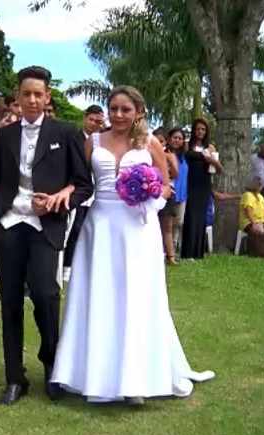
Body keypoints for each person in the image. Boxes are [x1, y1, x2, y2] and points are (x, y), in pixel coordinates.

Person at [52, 85, 215, 406]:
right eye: (113, 108)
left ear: (139, 112)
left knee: (136, 297)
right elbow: (83, 182)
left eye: (125, 109)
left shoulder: (150, 143)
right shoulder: (92, 142)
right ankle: (95, 374)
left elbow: (167, 185)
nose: (118, 115)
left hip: (137, 226)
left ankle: (136, 380)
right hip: (100, 225)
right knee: (99, 295)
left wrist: (150, 202)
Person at [0, 65, 93, 406]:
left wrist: (62, 197)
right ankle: (14, 377)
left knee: (47, 295)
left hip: (45, 225)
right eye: (26, 94)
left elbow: (84, 184)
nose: (32, 100)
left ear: (47, 97)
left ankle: (51, 364)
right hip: (10, 224)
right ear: (17, 97)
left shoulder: (66, 132)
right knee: (11, 301)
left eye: (38, 94)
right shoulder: (4, 136)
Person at [62, 104, 105, 270]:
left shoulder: (103, 140)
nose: (94, 124)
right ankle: (68, 263)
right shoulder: (75, 137)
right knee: (75, 226)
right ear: (85, 118)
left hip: (97, 187)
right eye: (91, 119)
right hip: (77, 186)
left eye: (98, 121)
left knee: (90, 227)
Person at [180, 118, 221, 260]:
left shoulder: (211, 148)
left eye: (203, 129)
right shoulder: (186, 145)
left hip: (204, 185)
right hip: (189, 183)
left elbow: (219, 170)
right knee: (190, 215)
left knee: (200, 217)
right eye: (198, 129)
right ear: (193, 130)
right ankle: (187, 252)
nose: (200, 132)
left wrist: (213, 161)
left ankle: (198, 252)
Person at [153, 128, 181, 265]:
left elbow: (176, 175)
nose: (159, 143)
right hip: (151, 192)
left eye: (162, 141)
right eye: (156, 140)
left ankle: (171, 256)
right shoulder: (148, 154)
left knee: (167, 226)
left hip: (168, 193)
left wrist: (168, 160)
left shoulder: (170, 155)